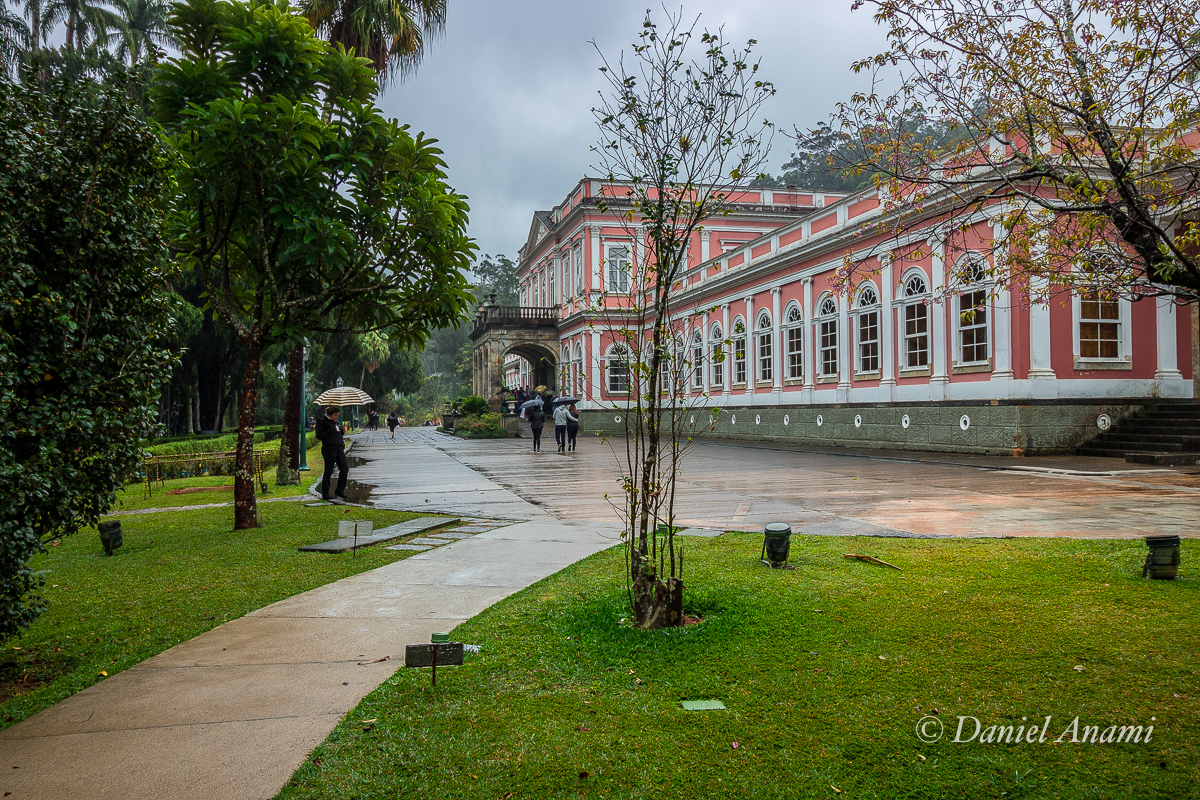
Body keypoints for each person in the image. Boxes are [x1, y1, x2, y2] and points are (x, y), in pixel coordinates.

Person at [314, 405, 349, 500]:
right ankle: (325, 492)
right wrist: (329, 430)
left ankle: (340, 490)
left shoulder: (336, 422)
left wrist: (342, 431)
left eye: (338, 415)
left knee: (345, 468)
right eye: (335, 415)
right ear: (329, 414)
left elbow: (337, 434)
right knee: (329, 470)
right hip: (329, 449)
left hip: (339, 448)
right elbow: (319, 436)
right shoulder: (322, 422)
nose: (337, 417)